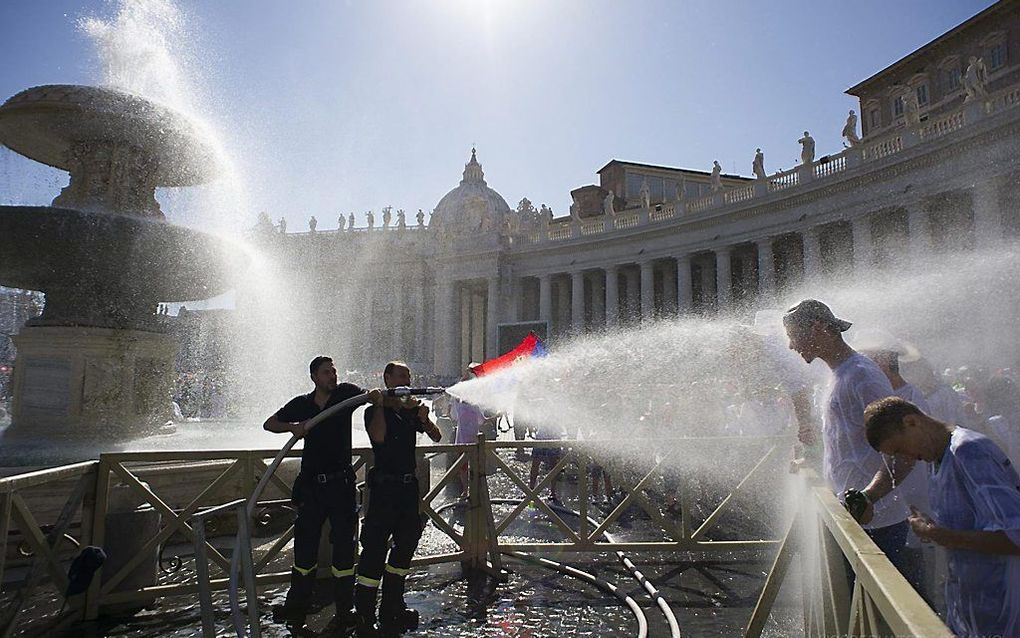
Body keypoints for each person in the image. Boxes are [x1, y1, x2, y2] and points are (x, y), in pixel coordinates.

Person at [862, 397, 1020, 638]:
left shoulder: (968, 450)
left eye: (898, 449)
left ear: (912, 421)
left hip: (1005, 614)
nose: (905, 457)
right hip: (973, 614)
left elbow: (1015, 536)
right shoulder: (936, 458)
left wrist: (940, 535)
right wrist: (934, 529)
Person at [782, 300, 913, 579]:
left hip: (879, 524)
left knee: (885, 618)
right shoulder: (837, 374)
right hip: (856, 520)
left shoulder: (862, 376)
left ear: (818, 328)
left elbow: (903, 451)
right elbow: (849, 445)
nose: (791, 346)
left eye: (793, 336)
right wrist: (813, 453)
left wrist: (868, 498)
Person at [263, 356, 382, 630]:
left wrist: (374, 396)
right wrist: (293, 427)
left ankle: (344, 609)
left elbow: (369, 397)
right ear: (314, 377)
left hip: (340, 485)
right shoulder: (302, 404)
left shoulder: (344, 394)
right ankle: (297, 609)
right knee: (305, 551)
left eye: (334, 371)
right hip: (312, 487)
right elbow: (269, 424)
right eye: (327, 372)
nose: (333, 376)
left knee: (344, 550)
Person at [354, 361, 441, 636]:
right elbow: (378, 437)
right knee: (374, 552)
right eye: (401, 376)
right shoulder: (373, 411)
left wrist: (424, 418)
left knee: (404, 548)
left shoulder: (410, 411)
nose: (407, 380)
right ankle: (364, 613)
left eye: (409, 377)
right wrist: (380, 404)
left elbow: (436, 437)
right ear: (388, 379)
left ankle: (393, 605)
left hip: (407, 490)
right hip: (383, 490)